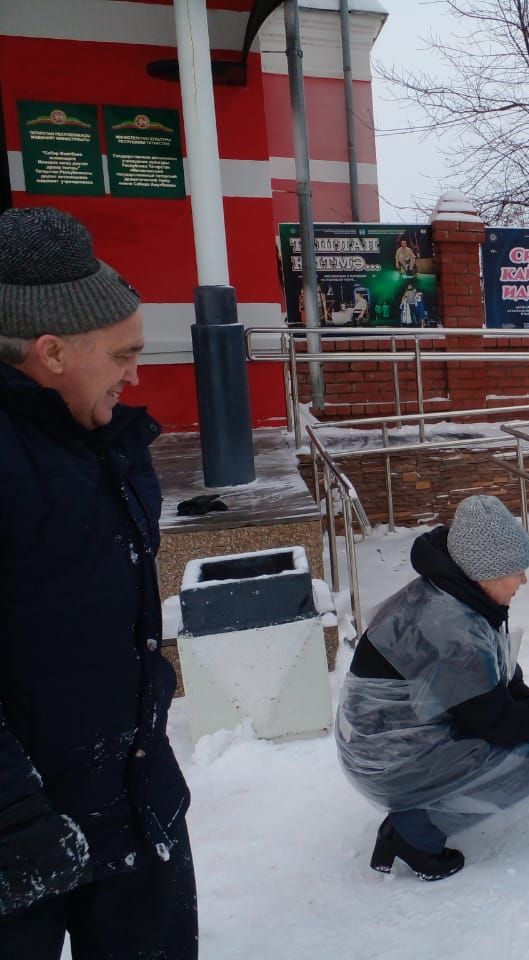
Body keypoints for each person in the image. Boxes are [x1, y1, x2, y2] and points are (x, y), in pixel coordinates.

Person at [0, 207, 196, 956]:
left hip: (136, 808)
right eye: (122, 354)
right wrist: (17, 825)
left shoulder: (103, 439)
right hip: (24, 835)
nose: (136, 374)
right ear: (51, 352)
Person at [335, 495, 529, 882]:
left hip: (397, 734)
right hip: (389, 759)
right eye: (517, 571)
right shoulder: (450, 627)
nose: (524, 580)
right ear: (485, 572)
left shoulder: (455, 596)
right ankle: (413, 833)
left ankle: (417, 820)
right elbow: (498, 723)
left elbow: (500, 681)